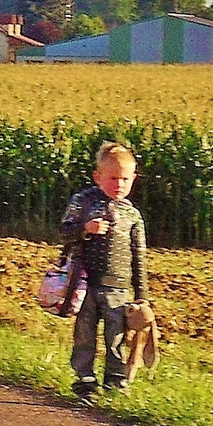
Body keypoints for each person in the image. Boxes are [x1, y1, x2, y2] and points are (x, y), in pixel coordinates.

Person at [60, 142, 150, 397]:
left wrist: (142, 296)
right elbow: (64, 232)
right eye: (112, 178)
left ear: (133, 180)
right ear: (97, 177)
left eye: (125, 179)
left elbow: (139, 257)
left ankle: (116, 381)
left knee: (116, 336)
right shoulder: (84, 202)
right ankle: (84, 379)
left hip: (118, 288)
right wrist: (85, 230)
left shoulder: (132, 215)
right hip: (85, 283)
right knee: (85, 334)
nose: (119, 184)